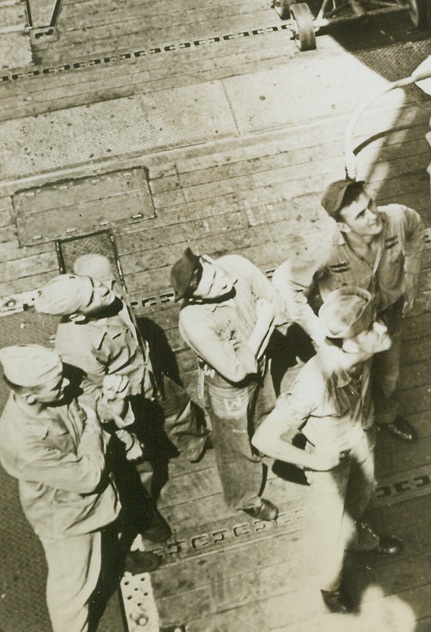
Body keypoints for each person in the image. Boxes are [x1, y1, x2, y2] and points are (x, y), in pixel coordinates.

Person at [34, 256, 210, 546]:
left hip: (152, 375)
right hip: (126, 402)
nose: (105, 290)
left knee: (180, 410)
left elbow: (95, 264)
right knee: (142, 469)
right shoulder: (74, 347)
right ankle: (144, 517)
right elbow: (89, 397)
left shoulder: (97, 289)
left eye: (94, 284)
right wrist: (126, 437)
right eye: (94, 293)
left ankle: (195, 442)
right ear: (77, 317)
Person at [252, 288, 403, 614]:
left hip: (362, 439)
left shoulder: (359, 351)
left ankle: (361, 541)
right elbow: (264, 439)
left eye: (375, 320)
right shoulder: (316, 381)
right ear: (347, 342)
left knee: (361, 500)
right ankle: (330, 587)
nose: (380, 328)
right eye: (370, 328)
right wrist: (315, 459)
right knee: (330, 530)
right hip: (330, 465)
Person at [0, 345, 158, 632]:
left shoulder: (55, 389)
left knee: (110, 537)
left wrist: (113, 400)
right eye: (57, 384)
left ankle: (115, 564)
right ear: (30, 396)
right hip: (68, 519)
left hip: (99, 499)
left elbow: (94, 408)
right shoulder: (20, 442)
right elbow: (87, 476)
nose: (67, 384)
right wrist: (94, 427)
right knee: (71, 591)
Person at [273, 179, 425, 445]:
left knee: (389, 374)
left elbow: (416, 226)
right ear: (343, 226)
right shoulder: (324, 249)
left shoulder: (397, 218)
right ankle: (356, 430)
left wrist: (412, 273)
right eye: (361, 214)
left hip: (389, 316)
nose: (373, 215)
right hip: (349, 330)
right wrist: (320, 332)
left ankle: (385, 416)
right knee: (352, 383)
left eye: (371, 204)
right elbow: (283, 281)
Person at [172, 247, 286, 520]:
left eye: (215, 273)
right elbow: (234, 371)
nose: (222, 282)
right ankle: (245, 497)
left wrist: (268, 323)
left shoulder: (236, 266)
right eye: (209, 288)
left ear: (209, 260)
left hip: (262, 366)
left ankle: (264, 444)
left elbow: (279, 308)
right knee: (234, 445)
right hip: (228, 389)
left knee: (265, 413)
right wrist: (262, 323)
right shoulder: (193, 320)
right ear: (195, 299)